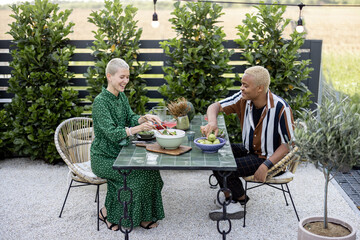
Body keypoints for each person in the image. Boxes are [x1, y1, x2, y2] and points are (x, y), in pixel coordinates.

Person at [201, 66, 295, 221]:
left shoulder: (280, 108)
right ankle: (239, 197)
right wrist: (212, 122)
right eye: (241, 84)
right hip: (248, 151)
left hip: (269, 159)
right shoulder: (243, 99)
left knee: (224, 166)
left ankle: (235, 202)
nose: (241, 88)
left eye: (245, 85)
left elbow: (288, 145)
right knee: (213, 151)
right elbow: (214, 106)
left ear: (260, 89)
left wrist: (265, 166)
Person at [90, 58, 165, 231]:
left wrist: (144, 117)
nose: (126, 81)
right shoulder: (100, 102)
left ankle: (144, 217)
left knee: (151, 172)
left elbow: (130, 118)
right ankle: (107, 213)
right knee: (132, 176)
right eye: (122, 77)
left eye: (127, 77)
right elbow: (112, 133)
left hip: (121, 152)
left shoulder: (121, 96)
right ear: (109, 76)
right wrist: (138, 128)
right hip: (104, 158)